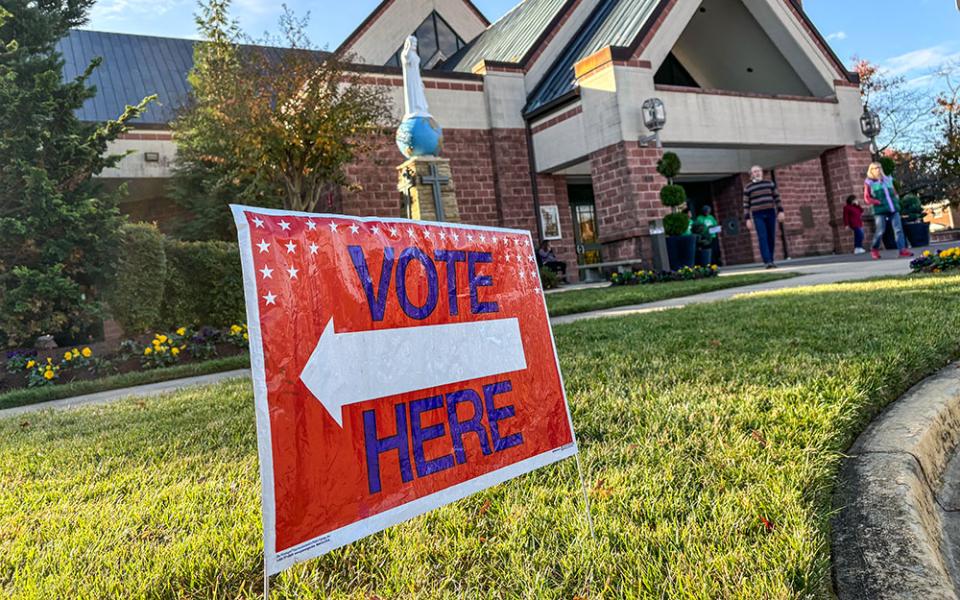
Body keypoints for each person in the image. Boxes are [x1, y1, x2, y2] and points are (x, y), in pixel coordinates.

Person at [864, 162, 912, 260]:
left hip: (893, 208)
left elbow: (894, 192)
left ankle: (902, 250)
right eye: (875, 168)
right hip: (880, 210)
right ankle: (874, 249)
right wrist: (877, 202)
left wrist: (896, 200)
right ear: (871, 170)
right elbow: (867, 198)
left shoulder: (888, 179)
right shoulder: (869, 182)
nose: (878, 169)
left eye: (879, 167)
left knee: (898, 230)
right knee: (880, 230)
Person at [742, 165, 784, 269]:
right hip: (757, 214)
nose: (757, 173)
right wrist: (747, 219)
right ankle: (767, 261)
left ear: (762, 172)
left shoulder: (769, 184)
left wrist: (780, 211)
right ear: (751, 175)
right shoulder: (748, 188)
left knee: (771, 236)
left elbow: (777, 198)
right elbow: (746, 204)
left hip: (770, 212)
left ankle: (771, 259)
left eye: (759, 171)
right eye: (755, 172)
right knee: (762, 236)